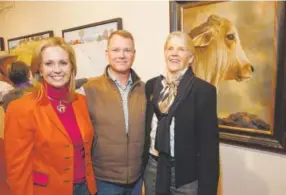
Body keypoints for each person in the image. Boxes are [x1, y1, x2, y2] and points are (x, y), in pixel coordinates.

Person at [4, 37, 97, 195]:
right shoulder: (21, 109)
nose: (57, 69)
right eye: (49, 63)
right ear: (39, 68)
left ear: (72, 66)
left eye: (63, 63)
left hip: (86, 188)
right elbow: (17, 170)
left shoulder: (80, 102)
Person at [143, 31, 219, 195]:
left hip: (185, 174)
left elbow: (209, 147)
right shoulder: (151, 86)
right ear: (165, 53)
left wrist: (208, 189)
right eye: (170, 48)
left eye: (181, 49)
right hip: (153, 168)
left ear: (191, 58)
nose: (174, 54)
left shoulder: (204, 91)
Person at [83, 30, 146, 195]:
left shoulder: (146, 90)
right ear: (107, 54)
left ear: (134, 54)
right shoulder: (89, 89)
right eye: (116, 50)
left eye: (127, 50)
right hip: (104, 181)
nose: (122, 55)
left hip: (137, 180)